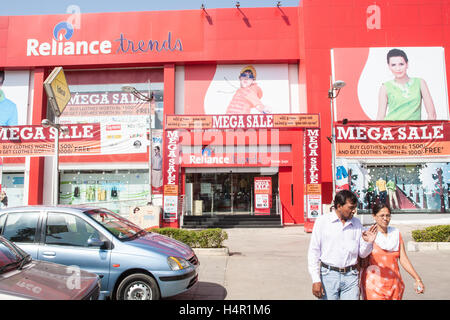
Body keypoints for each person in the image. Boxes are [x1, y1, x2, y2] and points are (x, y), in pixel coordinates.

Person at [307, 190, 378, 300]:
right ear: (339, 206)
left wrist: (368, 242)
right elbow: (314, 252)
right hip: (328, 276)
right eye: (351, 207)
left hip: (351, 277)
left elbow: (362, 254)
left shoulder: (357, 223)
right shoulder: (322, 222)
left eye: (355, 207)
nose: (354, 211)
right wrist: (316, 279)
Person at [360, 203, 425, 300]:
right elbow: (361, 256)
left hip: (394, 284)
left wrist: (417, 278)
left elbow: (403, 259)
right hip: (373, 286)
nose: (385, 218)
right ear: (374, 216)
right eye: (382, 215)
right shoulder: (367, 233)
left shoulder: (395, 234)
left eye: (388, 215)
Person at [376, 48, 436, 121]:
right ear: (389, 66)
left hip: (414, 130)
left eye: (401, 64)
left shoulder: (420, 83)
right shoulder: (385, 87)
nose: (398, 68)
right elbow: (380, 118)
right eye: (393, 65)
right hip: (392, 130)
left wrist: (425, 131)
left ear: (407, 64)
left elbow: (432, 114)